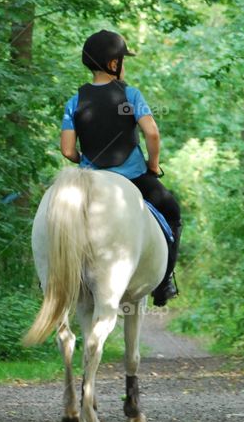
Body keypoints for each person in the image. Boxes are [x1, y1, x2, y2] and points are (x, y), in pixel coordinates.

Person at [60, 29, 182, 306]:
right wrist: (152, 165)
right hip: (134, 178)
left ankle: (57, 281)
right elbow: (152, 133)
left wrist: (85, 161)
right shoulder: (130, 95)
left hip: (90, 180)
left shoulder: (75, 101)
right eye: (123, 60)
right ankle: (164, 284)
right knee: (172, 212)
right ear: (114, 64)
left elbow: (67, 150)